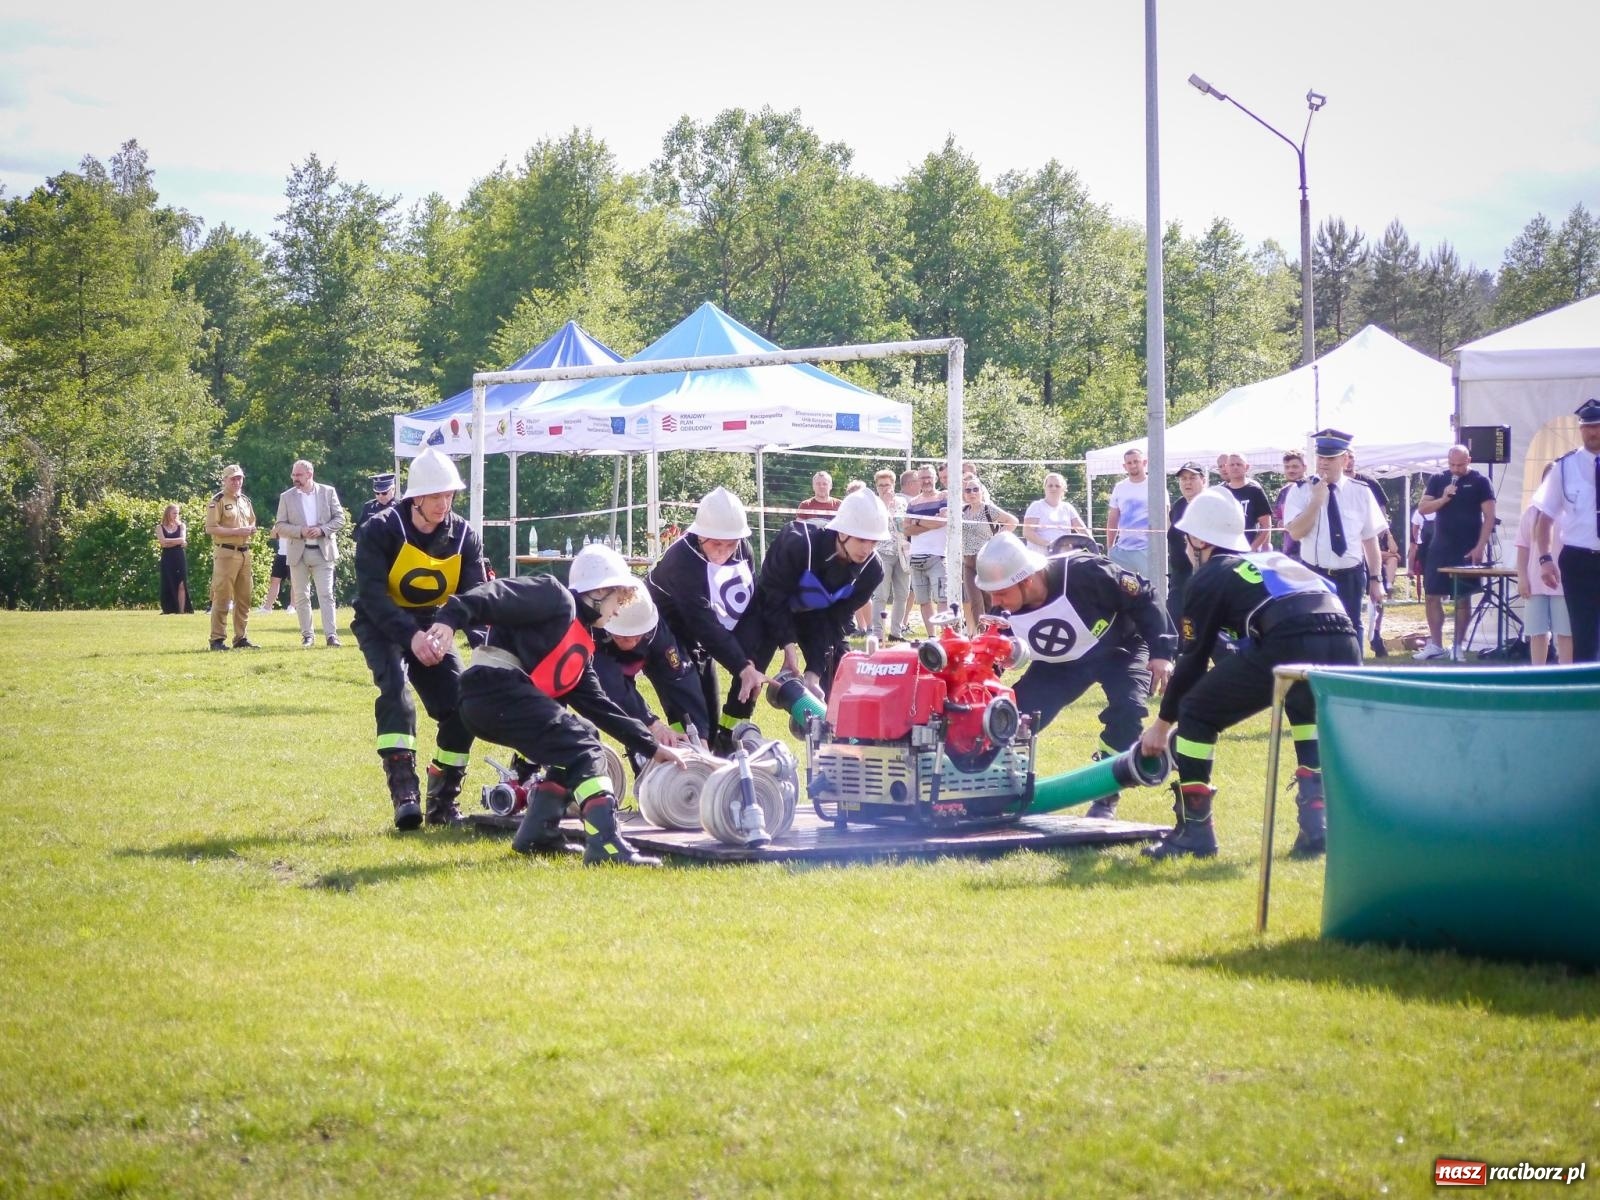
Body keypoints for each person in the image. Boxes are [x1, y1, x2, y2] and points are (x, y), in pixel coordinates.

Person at [424, 546, 685, 866]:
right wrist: (450, 619)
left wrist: (650, 745)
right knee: (583, 746)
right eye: (618, 598)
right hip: (492, 690)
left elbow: (600, 707)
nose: (618, 610)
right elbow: (494, 593)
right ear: (599, 590)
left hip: (496, 701)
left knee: (583, 733)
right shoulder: (553, 595)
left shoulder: (582, 642)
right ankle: (607, 844)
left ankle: (538, 834)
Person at [1137, 490, 1360, 859]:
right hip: (1344, 637)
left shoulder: (1211, 575)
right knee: (1306, 710)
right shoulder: (1272, 560)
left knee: (1195, 712)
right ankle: (1316, 826)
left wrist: (1162, 726)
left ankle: (1195, 833)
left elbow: (1193, 660)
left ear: (1199, 539)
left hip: (1290, 637)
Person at [973, 532, 1176, 819]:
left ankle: (1105, 793)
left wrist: (1162, 652)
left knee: (1128, 710)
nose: (996, 601)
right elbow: (987, 660)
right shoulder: (1002, 613)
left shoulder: (1085, 572)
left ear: (1027, 580)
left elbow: (1143, 595)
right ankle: (991, 789)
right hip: (1059, 666)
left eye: (1002, 592)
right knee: (1007, 718)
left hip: (1122, 649)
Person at [352, 447, 488, 830]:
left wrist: (458, 631)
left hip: (434, 626)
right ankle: (404, 793)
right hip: (382, 625)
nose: (444, 504)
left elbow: (475, 594)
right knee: (396, 692)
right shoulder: (379, 530)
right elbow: (373, 597)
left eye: (449, 495)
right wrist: (411, 637)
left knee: (464, 707)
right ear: (416, 496)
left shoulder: (464, 537)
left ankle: (443, 800)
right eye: (436, 495)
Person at [720, 490, 888, 731]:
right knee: (751, 672)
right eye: (861, 539)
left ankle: (838, 739)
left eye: (874, 542)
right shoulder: (797, 541)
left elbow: (837, 620)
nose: (867, 549)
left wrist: (814, 671)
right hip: (771, 608)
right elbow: (772, 596)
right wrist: (788, 646)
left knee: (842, 673)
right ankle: (729, 735)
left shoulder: (872, 570)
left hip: (818, 617)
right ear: (842, 532)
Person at [645, 486, 765, 752]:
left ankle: (715, 755)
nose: (722, 552)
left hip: (699, 639)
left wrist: (748, 660)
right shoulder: (682, 559)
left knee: (709, 721)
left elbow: (749, 608)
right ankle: (682, 768)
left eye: (730, 544)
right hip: (664, 633)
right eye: (715, 543)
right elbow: (702, 621)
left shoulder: (743, 550)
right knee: (692, 718)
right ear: (699, 534)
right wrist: (742, 666)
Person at [1282, 429, 1386, 643]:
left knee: (1351, 628)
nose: (1323, 463)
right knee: (1316, 633)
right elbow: (1296, 532)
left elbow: (1369, 538)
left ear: (1345, 459)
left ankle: (1352, 676)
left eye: (1330, 458)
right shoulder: (1301, 491)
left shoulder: (1361, 491)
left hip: (1351, 575)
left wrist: (1376, 579)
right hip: (1315, 574)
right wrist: (1316, 501)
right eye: (1320, 457)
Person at [592, 589, 710, 759]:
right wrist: (652, 724)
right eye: (623, 637)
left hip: (646, 653)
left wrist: (699, 736)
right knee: (634, 721)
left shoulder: (656, 632)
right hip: (603, 660)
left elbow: (680, 680)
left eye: (636, 637)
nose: (631, 643)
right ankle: (640, 755)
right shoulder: (595, 629)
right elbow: (611, 686)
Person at [1533, 397, 1600, 662]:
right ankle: (1587, 696)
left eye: (1597, 426)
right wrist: (1545, 558)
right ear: (1580, 429)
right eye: (1587, 427)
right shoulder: (1564, 467)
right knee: (1583, 634)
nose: (1593, 432)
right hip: (1579, 558)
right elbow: (1545, 517)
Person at [1417, 444, 1496, 660]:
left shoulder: (1481, 481)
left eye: (1460, 465)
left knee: (1462, 598)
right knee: (1432, 595)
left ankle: (1458, 646)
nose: (1455, 469)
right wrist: (1443, 499)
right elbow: (1422, 509)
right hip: (1439, 547)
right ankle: (1436, 645)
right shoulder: (1438, 479)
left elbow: (1489, 516)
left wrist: (1480, 546)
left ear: (1469, 460)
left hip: (1466, 548)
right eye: (1452, 464)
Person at [273, 459, 347, 649]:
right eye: (293, 474)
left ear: (310, 474)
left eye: (298, 475)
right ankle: (308, 636)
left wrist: (322, 530)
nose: (294, 478)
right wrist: (300, 531)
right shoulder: (286, 497)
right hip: (299, 552)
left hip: (323, 552)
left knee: (326, 594)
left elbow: (340, 519)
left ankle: (332, 636)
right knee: (301, 596)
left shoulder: (327, 492)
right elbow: (280, 525)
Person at [1517, 464, 1572, 666]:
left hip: (1564, 583)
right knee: (1537, 632)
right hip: (1534, 583)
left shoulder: (1571, 512)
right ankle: (1537, 674)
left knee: (1566, 633)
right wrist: (1522, 577)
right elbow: (1522, 549)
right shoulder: (1531, 512)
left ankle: (1567, 675)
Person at [204, 464, 260, 651]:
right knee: (222, 596)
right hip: (226, 553)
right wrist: (237, 531)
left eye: (239, 478)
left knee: (244, 597)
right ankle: (217, 639)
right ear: (225, 480)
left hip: (245, 552)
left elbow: (252, 520)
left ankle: (241, 638)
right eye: (233, 478)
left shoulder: (245, 500)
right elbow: (211, 528)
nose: (237, 482)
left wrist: (251, 529)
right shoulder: (218, 500)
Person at [958, 474, 1018, 632]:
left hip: (986, 560)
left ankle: (996, 631)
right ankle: (981, 634)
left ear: (981, 491)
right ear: (964, 494)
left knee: (989, 599)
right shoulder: (962, 511)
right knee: (974, 599)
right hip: (968, 561)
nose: (972, 493)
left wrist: (996, 540)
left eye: (975, 489)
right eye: (968, 490)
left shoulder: (988, 509)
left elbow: (1013, 521)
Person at [903, 464, 948, 636]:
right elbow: (906, 529)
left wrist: (918, 523)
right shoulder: (913, 503)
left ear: (935, 478)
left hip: (938, 556)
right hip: (916, 557)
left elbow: (943, 522)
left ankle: (946, 636)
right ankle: (931, 637)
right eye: (922, 478)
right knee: (923, 600)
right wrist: (930, 522)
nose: (927, 480)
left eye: (929, 477)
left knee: (942, 598)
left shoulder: (944, 497)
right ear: (917, 481)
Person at [1165, 462, 1209, 632]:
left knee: (1200, 621)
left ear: (1203, 480)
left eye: (1192, 478)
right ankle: (1180, 654)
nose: (1187, 482)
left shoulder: (1209, 505)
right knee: (1175, 618)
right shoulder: (1179, 505)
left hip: (1202, 573)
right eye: (1183, 479)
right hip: (1179, 575)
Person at [869, 468, 910, 640]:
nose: (885, 488)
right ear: (876, 487)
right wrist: (884, 505)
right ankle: (877, 633)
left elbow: (907, 525)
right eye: (881, 485)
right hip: (882, 553)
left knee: (902, 594)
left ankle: (896, 632)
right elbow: (873, 525)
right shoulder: (873, 503)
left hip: (902, 552)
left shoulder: (903, 502)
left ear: (893, 485)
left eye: (887, 484)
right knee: (881, 595)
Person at [1105, 449, 1155, 576]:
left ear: (1144, 462)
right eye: (1129, 463)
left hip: (1148, 550)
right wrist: (1110, 548)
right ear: (1124, 466)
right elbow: (1113, 518)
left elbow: (1165, 515)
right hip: (1122, 551)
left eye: (1136, 461)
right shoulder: (1119, 487)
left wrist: (1160, 547)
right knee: (1120, 591)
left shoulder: (1155, 485)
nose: (1133, 465)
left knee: (1153, 590)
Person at [1023, 472, 1090, 553]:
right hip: (1041, 555)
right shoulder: (1036, 506)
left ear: (1063, 489)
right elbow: (1027, 533)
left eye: (1057, 486)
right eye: (1050, 485)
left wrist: (1093, 544)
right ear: (1045, 488)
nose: (1053, 488)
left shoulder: (1068, 507)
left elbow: (1083, 530)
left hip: (1066, 555)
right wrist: (1050, 544)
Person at [1218, 452, 1273, 551]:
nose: (1235, 467)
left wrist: (1253, 548)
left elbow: (1266, 525)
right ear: (1226, 467)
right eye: (1232, 464)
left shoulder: (1255, 491)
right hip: (1224, 551)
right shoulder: (1221, 492)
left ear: (1246, 467)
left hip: (1248, 551)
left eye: (1239, 464)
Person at [155, 504, 193, 614]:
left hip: (179, 557)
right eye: (174, 513)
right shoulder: (160, 527)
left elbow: (182, 539)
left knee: (181, 583)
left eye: (178, 513)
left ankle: (181, 611)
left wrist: (169, 541)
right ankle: (169, 609)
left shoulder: (182, 526)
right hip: (167, 557)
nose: (176, 515)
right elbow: (163, 543)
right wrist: (177, 542)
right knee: (168, 582)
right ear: (168, 513)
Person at [1273, 451, 1307, 558]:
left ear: (1304, 467)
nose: (1290, 470)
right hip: (1290, 552)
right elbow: (1277, 518)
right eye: (1287, 467)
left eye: (1295, 466)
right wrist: (1280, 523)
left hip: (1309, 551)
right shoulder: (1283, 492)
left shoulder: (1313, 489)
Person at [355, 472, 396, 543]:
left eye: (384, 493)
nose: (380, 496)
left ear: (393, 489)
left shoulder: (400, 507)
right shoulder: (369, 507)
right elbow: (358, 532)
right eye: (377, 493)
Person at [260, 535, 290, 612]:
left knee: (295, 581)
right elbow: (272, 534)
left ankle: (292, 606)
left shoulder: (297, 522)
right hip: (281, 554)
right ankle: (267, 608)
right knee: (274, 580)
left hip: (293, 554)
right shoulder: (279, 522)